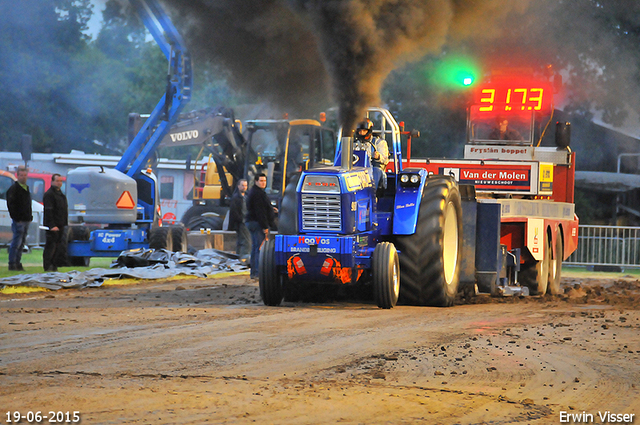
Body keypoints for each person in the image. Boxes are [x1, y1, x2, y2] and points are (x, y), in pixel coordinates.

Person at [245, 173, 277, 279]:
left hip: (253, 222)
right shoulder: (258, 194)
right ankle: (257, 272)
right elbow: (260, 211)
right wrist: (265, 226)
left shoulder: (255, 192)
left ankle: (254, 272)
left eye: (264, 181)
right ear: (256, 181)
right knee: (259, 249)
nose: (263, 183)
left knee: (255, 248)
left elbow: (262, 208)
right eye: (261, 181)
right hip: (257, 223)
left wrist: (271, 209)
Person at [6, 166, 32, 271]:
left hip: (26, 219)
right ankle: (12, 263)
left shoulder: (26, 188)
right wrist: (16, 218)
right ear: (17, 175)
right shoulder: (14, 189)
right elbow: (11, 205)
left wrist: (30, 217)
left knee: (22, 243)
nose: (23, 177)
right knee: (16, 242)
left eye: (25, 175)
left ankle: (18, 262)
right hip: (19, 220)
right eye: (21, 175)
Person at [355, 118, 389, 192]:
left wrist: (378, 156)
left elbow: (385, 159)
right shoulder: (354, 143)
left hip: (373, 168)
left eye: (364, 131)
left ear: (369, 131)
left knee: (376, 171)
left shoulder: (379, 142)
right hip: (357, 168)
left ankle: (371, 196)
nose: (361, 133)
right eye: (360, 131)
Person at [43, 173, 68, 272]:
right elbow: (48, 211)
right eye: (57, 181)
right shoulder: (49, 194)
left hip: (61, 225)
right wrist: (52, 225)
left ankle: (54, 265)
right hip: (53, 226)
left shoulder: (61, 195)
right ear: (52, 181)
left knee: (58, 247)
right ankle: (48, 265)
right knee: (51, 246)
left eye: (61, 181)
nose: (59, 183)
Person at [229, 179, 251, 263]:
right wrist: (241, 220)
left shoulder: (247, 196)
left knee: (241, 241)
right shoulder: (236, 198)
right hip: (242, 222)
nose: (244, 187)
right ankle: (244, 260)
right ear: (238, 186)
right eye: (242, 185)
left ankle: (238, 259)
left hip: (246, 221)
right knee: (246, 242)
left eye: (245, 185)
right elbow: (234, 211)